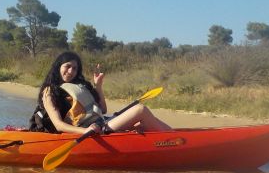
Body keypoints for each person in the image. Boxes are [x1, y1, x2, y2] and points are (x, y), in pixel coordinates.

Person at [30, 51, 170, 135]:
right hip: (90, 131)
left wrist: (98, 86)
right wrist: (85, 131)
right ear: (58, 67)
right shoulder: (49, 91)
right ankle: (176, 140)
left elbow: (102, 109)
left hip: (101, 123)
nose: (71, 71)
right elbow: (58, 125)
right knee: (140, 109)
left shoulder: (79, 86)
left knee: (143, 124)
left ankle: (177, 138)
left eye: (75, 68)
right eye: (67, 66)